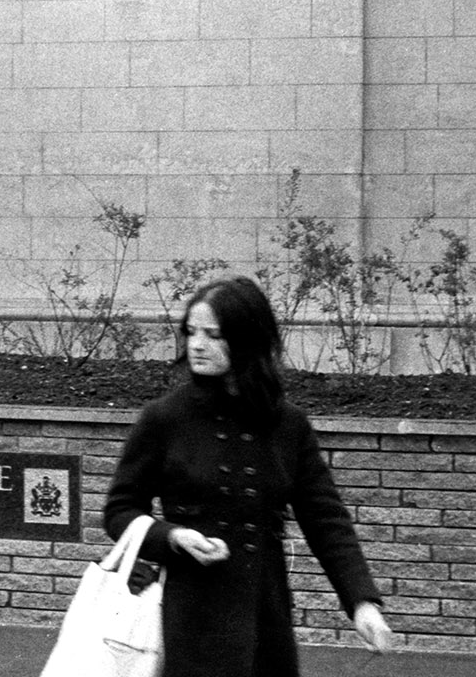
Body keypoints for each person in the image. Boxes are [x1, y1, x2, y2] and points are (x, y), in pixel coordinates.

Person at [103, 274, 394, 676]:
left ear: (247, 339)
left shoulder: (287, 424)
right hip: (187, 615)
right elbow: (120, 510)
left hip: (264, 616)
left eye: (213, 334)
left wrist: (362, 603)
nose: (197, 344)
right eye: (191, 332)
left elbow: (326, 520)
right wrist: (172, 536)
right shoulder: (164, 418)